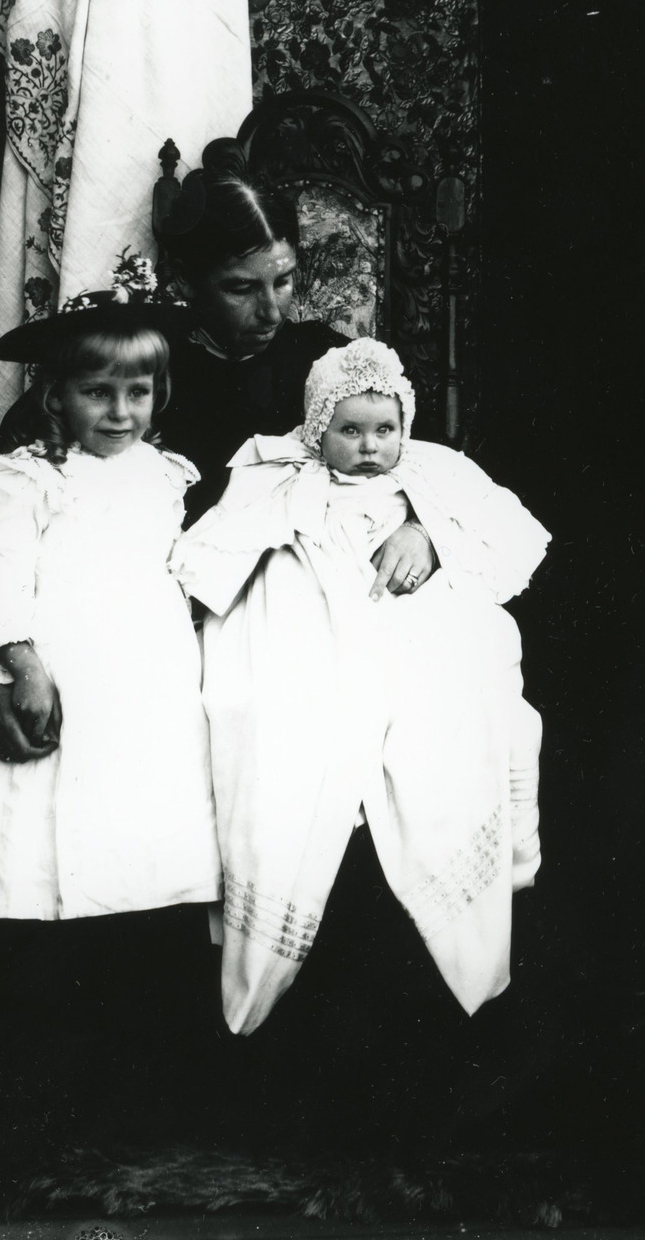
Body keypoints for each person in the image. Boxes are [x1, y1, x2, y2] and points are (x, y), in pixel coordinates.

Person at [170, 339, 550, 1110]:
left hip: (416, 651)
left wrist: (431, 532)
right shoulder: (272, 477)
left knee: (449, 731)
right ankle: (284, 1043)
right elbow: (202, 562)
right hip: (306, 650)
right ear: (318, 430)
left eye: (384, 429)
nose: (370, 447)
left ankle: (436, 1037)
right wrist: (286, 541)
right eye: (350, 430)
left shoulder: (436, 474)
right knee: (284, 747)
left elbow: (516, 536)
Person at [0, 291, 220, 922]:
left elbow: (172, 571)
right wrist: (21, 666)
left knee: (140, 840)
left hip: (149, 686)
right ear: (57, 395)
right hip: (64, 678)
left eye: (137, 392)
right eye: (97, 392)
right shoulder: (28, 477)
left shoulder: (163, 474)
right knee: (46, 836)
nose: (119, 412)